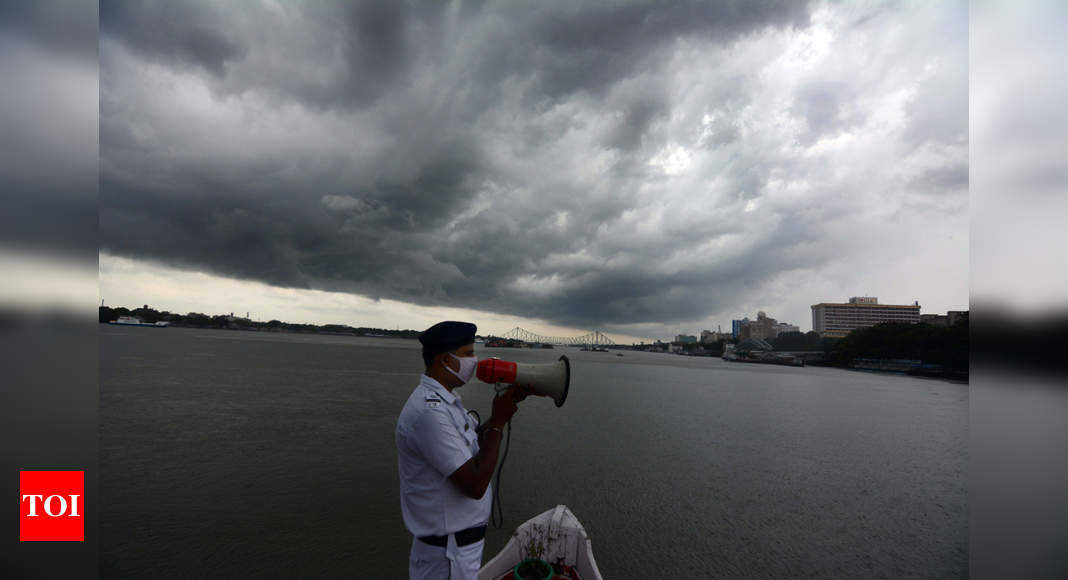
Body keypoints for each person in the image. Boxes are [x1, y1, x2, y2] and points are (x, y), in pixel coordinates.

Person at [396, 321, 529, 580]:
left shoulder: (448, 402)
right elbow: (475, 485)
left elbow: (474, 442)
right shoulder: (429, 413)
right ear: (446, 359)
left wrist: (501, 411)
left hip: (456, 550)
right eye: (468, 354)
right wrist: (499, 422)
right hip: (446, 556)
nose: (474, 361)